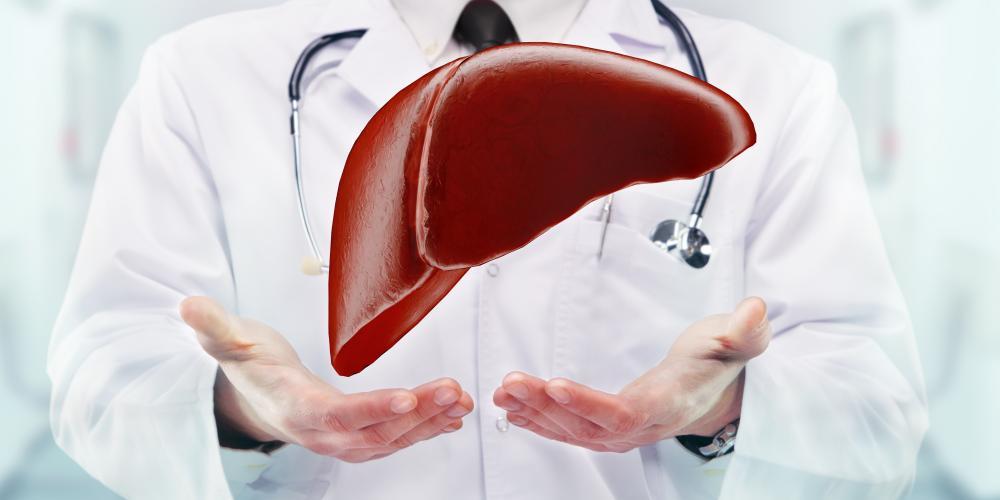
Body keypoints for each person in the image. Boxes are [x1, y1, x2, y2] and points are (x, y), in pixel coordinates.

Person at [47, 0, 928, 498]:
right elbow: (101, 372)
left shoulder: (772, 89)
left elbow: (877, 408)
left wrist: (717, 404)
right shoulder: (203, 78)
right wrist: (248, 409)